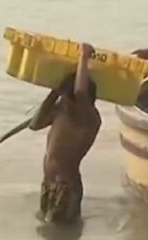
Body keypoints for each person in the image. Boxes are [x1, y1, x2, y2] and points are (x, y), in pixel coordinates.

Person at [29, 43, 101, 224]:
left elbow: (80, 92)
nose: (66, 101)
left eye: (68, 98)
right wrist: (54, 93)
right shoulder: (61, 110)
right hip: (48, 184)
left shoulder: (89, 118)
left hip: (66, 187)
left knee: (61, 232)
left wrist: (83, 57)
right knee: (47, 230)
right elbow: (35, 124)